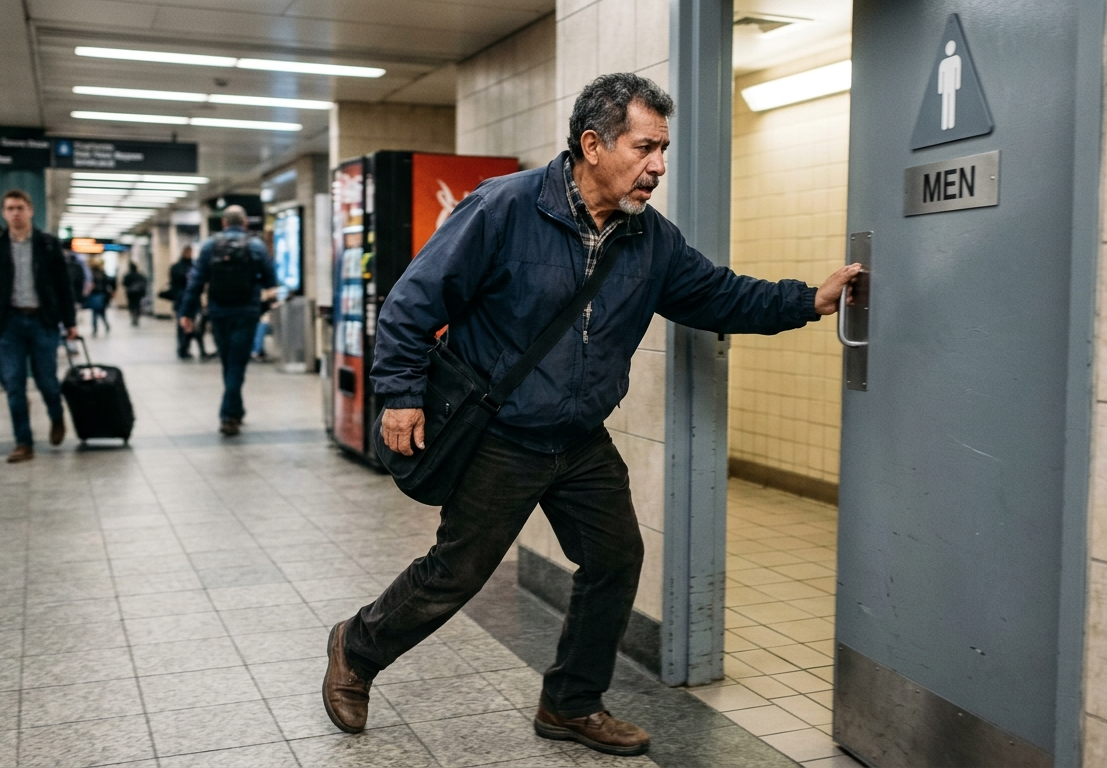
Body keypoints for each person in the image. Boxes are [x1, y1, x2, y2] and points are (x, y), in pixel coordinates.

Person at [321, 73, 863, 756]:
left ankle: (570, 703)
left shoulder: (651, 241)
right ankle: (357, 647)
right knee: (456, 572)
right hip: (501, 433)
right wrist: (399, 393)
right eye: (644, 148)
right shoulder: (504, 208)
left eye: (662, 150)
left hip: (577, 437)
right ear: (591, 145)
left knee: (615, 561)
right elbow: (412, 301)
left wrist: (805, 300)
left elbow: (717, 295)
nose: (657, 167)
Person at [178, 205, 277, 436]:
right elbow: (271, 279)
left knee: (228, 362)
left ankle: (235, 409)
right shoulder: (256, 245)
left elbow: (196, 282)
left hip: (219, 312)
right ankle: (229, 415)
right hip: (246, 312)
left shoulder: (210, 245)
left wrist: (186, 313)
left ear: (224, 223)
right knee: (237, 363)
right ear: (245, 223)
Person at [0, 190, 78, 463]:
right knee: (14, 384)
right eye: (10, 208)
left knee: (47, 381)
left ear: (31, 210)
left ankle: (56, 415)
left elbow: (63, 286)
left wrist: (70, 322)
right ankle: (24, 442)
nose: (15, 213)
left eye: (20, 207)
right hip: (9, 324)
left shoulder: (47, 244)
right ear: (3, 213)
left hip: (42, 321)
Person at [167, 245, 197, 358]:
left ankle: (185, 347)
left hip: (189, 300)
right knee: (182, 324)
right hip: (181, 299)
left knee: (189, 325)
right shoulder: (180, 267)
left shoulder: (193, 266)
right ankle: (182, 347)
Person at [86, 257, 115, 336]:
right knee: (102, 312)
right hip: (102, 295)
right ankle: (106, 325)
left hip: (94, 295)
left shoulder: (91, 276)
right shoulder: (103, 274)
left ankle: (95, 329)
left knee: (95, 313)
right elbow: (109, 283)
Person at [122, 262, 148, 327]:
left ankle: (133, 316)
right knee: (137, 305)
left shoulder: (128, 275)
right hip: (138, 293)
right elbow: (144, 283)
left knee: (131, 305)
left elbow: (124, 283)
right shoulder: (140, 275)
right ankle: (136, 317)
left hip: (130, 292)